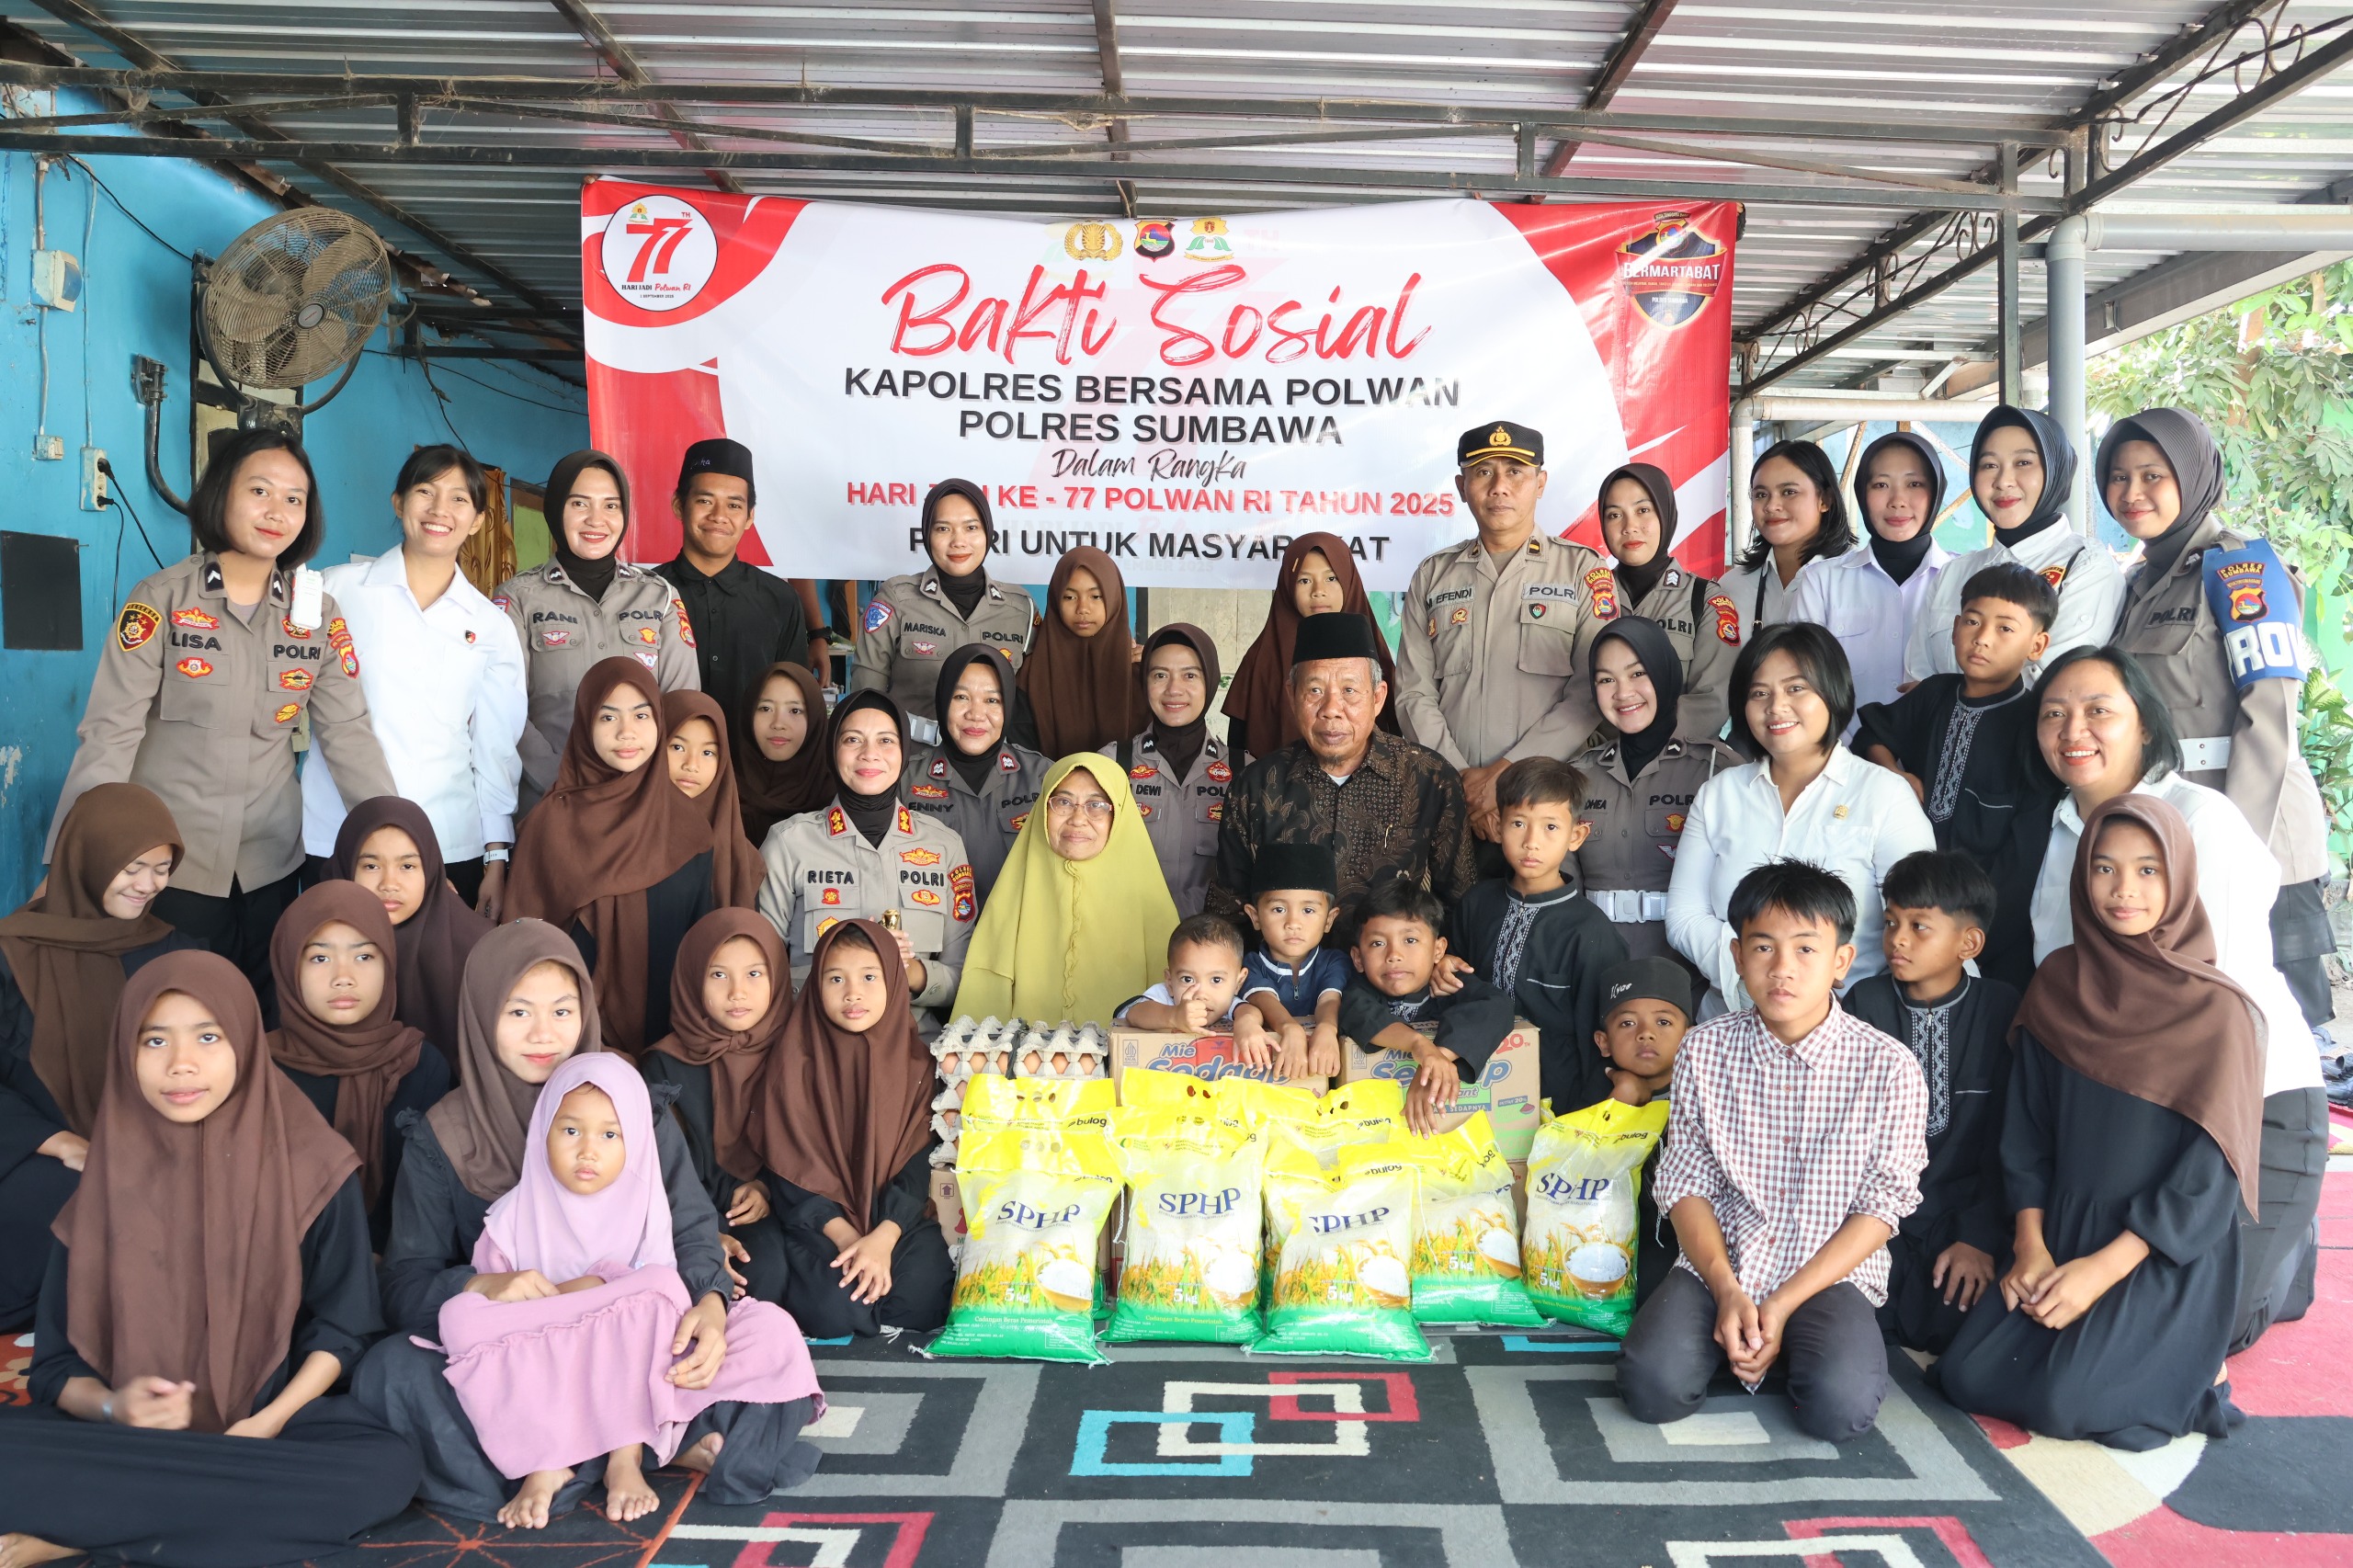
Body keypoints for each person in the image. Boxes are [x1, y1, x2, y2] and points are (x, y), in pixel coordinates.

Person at [0, 951, 419, 1568]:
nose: (181, 1064)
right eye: (154, 1040)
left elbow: (345, 1326)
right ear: (125, 1052)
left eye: (207, 1036)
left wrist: (267, 1421)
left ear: (245, 1043)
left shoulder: (312, 1165)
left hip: (272, 1430)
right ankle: (171, 1522)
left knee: (383, 1469)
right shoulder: (105, 1181)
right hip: (126, 1440)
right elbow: (57, 1368)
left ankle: (88, 1531)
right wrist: (116, 1406)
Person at [1935, 796, 2259, 1449]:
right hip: (2061, 1226)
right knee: (1967, 1375)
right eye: (2104, 868)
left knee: (2066, 1402)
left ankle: (2211, 1357)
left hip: (2156, 1245)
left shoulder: (2219, 1011)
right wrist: (2031, 1245)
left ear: (2180, 878)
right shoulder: (2059, 981)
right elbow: (2024, 1132)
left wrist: (2101, 1272)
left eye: (2147, 870)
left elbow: (2207, 1179)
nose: (2123, 890)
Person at [2028, 646, 2325, 1353]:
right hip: (2134, 1116)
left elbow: (2219, 1007)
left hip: (2247, 1107)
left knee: (2192, 1338)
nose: (2073, 730)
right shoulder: (2060, 828)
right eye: (2054, 714)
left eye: (2098, 711)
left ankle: (2286, 1250)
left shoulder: (2202, 820)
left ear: (2146, 725)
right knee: (2076, 1318)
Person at [47, 426, 395, 1002]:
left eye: (294, 498)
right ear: (221, 495)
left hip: (272, 869)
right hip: (169, 868)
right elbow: (110, 734)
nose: (277, 511)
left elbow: (349, 733)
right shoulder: (161, 599)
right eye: (259, 491)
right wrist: (73, 863)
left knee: (260, 1021)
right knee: (172, 1017)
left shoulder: (318, 616)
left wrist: (396, 841)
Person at [428, 1053, 822, 1528]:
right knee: (458, 1316)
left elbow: (667, 1313)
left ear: (636, 1141)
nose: (587, 1151)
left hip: (648, 1368)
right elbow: (494, 1332)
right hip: (551, 1379)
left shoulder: (650, 1208)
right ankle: (562, 1459)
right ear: (541, 1134)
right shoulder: (508, 1223)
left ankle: (620, 1454)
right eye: (569, 1130)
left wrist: (617, 1295)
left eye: (610, 1135)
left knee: (768, 1330)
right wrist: (585, 1294)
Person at [1618, 860, 1928, 1443]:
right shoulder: (1704, 1050)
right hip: (1720, 1261)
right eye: (1763, 947)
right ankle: (1750, 1336)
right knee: (1652, 1388)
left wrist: (1781, 1305)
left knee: (1839, 1410)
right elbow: (1685, 1183)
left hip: (1828, 1273)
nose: (1782, 968)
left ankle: (1782, 1341)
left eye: (1806, 949)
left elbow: (1883, 1206)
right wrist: (1726, 1290)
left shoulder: (1889, 1066)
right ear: (1737, 957)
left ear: (1841, 961)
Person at [2099, 405, 2335, 1035]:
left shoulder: (2240, 569)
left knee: (2281, 1033)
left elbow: (2270, 720)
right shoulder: (2133, 584)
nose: (2132, 492)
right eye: (2119, 477)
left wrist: (2235, 851)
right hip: (2169, 834)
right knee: (2197, 1028)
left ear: (2194, 475)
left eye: (2153, 475)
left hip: (2255, 835)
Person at [302, 443, 527, 915]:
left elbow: (495, 749)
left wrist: (496, 856)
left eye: (459, 499)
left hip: (447, 841)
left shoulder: (490, 625)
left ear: (478, 521)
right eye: (426, 491)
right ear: (398, 502)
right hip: (338, 832)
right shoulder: (336, 591)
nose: (440, 509)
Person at [1666, 623, 1935, 1015]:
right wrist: (1754, 971)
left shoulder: (1884, 795)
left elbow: (1922, 918)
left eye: (1795, 688)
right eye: (1759, 693)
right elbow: (1683, 915)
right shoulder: (1719, 795)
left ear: (1833, 691)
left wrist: (1816, 978)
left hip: (1850, 1023)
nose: (1776, 707)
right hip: (1731, 1021)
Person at [0, 784, 190, 1328]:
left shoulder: (176, 952)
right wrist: (60, 1143)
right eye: (131, 867)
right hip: (36, 1152)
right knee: (71, 1200)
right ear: (88, 858)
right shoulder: (12, 952)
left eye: (162, 869)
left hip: (155, 1145)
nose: (148, 885)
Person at [1208, 611, 1479, 945]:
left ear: (1377, 697)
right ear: (1292, 695)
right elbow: (1228, 912)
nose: (1331, 709)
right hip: (1282, 977)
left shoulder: (1430, 780)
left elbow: (1461, 904)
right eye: (1315, 690)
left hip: (1394, 973)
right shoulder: (1255, 786)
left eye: (1350, 690)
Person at [1393, 421, 1608, 843]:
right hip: (1451, 804)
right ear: (1462, 486)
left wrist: (1505, 776)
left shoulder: (1583, 571)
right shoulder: (1433, 576)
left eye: (1515, 472)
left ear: (1540, 483)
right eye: (1483, 472)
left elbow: (1589, 694)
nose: (1499, 487)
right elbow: (1413, 693)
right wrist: (1461, 783)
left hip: (1547, 808)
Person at [1854, 562, 2063, 992]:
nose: (1982, 638)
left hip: (1988, 929)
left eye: (2005, 629)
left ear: (2037, 645)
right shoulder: (1934, 693)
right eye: (1972, 621)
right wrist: (1894, 774)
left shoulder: (2033, 725)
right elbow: (1871, 736)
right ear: (1953, 628)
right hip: (1907, 907)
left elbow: (2023, 859)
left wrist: (1969, 937)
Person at [1843, 851, 2018, 1355]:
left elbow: (2013, 1139)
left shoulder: (2001, 1009)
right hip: (1876, 1218)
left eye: (1919, 926)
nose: (1897, 939)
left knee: (1961, 1330)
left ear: (1969, 943)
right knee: (1858, 1324)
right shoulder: (1863, 1004)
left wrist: (1980, 1236)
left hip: (1964, 1220)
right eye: (1891, 922)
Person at [749, 918, 954, 1340]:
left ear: (894, 981)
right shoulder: (792, 1064)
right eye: (836, 978)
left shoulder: (918, 1066)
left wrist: (883, 1238)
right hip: (821, 1222)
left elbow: (918, 1162)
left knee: (923, 1297)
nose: (852, 993)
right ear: (815, 985)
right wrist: (845, 1237)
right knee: (833, 1307)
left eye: (869, 977)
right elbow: (787, 1165)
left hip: (895, 1220)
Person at [506, 658, 716, 1055]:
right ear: (585, 724)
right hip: (567, 1046)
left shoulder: (688, 827)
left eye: (641, 715)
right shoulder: (550, 825)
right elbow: (523, 946)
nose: (626, 732)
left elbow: (700, 946)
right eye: (608, 717)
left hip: (671, 1045)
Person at [754, 691, 977, 1028]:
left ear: (905, 751)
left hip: (916, 1045)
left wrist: (912, 972)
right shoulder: (788, 843)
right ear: (832, 750)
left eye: (886, 740)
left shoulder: (944, 846)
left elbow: (966, 979)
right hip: (814, 1041)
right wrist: (842, 972)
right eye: (853, 739)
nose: (870, 753)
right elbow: (759, 973)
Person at [497, 449, 699, 811]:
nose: (596, 519)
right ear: (555, 509)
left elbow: (682, 703)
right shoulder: (517, 598)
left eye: (611, 505)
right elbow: (504, 710)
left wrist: (641, 785)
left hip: (642, 805)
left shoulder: (660, 597)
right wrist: (563, 779)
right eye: (579, 503)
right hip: (551, 802)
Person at [265, 881, 450, 1247]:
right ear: (288, 966)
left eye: (364, 957)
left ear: (389, 963)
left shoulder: (419, 1065)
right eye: (320, 958)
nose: (343, 978)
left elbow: (426, 1199)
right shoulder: (261, 1070)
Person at [1449, 757, 1628, 1112]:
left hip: (1558, 1103)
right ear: (1497, 826)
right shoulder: (1476, 904)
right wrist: (1443, 970)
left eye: (1550, 827)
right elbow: (1455, 988)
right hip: (1473, 1095)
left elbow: (1600, 1043)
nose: (1532, 842)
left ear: (1576, 836)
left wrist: (1580, 1121)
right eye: (1518, 823)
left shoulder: (1590, 932)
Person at [952, 755, 1180, 1028]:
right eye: (1063, 802)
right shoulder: (1014, 889)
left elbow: (1173, 1003)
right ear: (1043, 809)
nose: (1078, 819)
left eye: (1096, 805)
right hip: (1025, 1051)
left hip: (1127, 1053)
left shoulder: (1151, 902)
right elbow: (984, 990)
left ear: (1118, 814)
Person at [642, 910, 796, 1306]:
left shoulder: (796, 1054)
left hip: (779, 1203)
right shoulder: (665, 1065)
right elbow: (661, 1168)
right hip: (688, 1212)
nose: (737, 992)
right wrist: (701, 1235)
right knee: (751, 1273)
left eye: (754, 974)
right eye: (718, 974)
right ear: (692, 978)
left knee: (792, 1273)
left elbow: (811, 1145)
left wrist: (765, 1186)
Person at [1905, 404, 2121, 687]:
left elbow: (2053, 687)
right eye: (1989, 465)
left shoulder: (2086, 567)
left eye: (2023, 463)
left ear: (2055, 470)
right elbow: (1916, 684)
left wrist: (1944, 696)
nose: (2003, 481)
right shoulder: (1953, 573)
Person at [1574, 617, 1741, 972]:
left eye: (1638, 673)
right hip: (1594, 973)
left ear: (1664, 673)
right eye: (1606, 679)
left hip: (1689, 978)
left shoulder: (1716, 770)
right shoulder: (1579, 774)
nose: (1623, 693)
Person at [851, 479, 1035, 743]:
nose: (958, 541)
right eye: (943, 528)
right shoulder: (897, 599)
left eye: (971, 527)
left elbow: (1030, 705)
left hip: (992, 761)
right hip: (911, 757)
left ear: (988, 533)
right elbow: (867, 696)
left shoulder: (1021, 610)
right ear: (927, 535)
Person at [1787, 431, 1952, 715]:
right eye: (1881, 484)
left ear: (1935, 492)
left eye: (1914, 484)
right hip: (1843, 744)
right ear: (1862, 493)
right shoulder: (1821, 581)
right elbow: (1798, 681)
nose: (1897, 500)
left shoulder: (1964, 579)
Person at [327, 796, 492, 1081]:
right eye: (371, 866)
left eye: (407, 866)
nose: (389, 884)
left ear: (431, 869)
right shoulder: (318, 942)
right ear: (346, 866)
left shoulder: (478, 947)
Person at [1337, 880, 1517, 1138]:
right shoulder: (1357, 992)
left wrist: (1435, 1061)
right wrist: (1419, 1045)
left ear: (1438, 950)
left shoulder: (1448, 984)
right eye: (1377, 943)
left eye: (1410, 940)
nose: (1394, 955)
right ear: (1357, 958)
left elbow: (1498, 1007)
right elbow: (1359, 1013)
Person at [654, 437, 813, 726]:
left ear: (750, 517)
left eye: (734, 505)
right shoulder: (646, 594)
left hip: (754, 757)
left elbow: (792, 702)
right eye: (705, 501)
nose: (719, 516)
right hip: (666, 753)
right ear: (679, 505)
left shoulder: (780, 599)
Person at [1222, 530, 1400, 762]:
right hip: (1277, 783)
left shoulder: (1373, 655)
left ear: (1348, 580)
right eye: (1304, 580)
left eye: (1331, 578)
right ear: (1288, 585)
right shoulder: (1261, 659)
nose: (1318, 591)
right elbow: (1238, 748)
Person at [1590, 462, 1737, 741]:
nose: (1629, 527)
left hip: (1678, 759)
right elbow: (1577, 696)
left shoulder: (1705, 600)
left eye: (1643, 510)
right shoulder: (1588, 597)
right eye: (1614, 515)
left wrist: (1637, 752)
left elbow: (1711, 702)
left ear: (1666, 513)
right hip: (1597, 760)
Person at [904, 645, 1050, 903]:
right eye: (961, 697)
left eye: (992, 700)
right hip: (936, 926)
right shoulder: (905, 780)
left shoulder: (1042, 776)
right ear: (942, 700)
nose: (975, 714)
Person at [1590, 957, 1694, 1306]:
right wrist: (1621, 1101)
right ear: (1603, 1042)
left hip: (1688, 1243)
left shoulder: (1707, 1097)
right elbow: (1584, 1180)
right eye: (1627, 1023)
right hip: (1614, 1241)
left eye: (1663, 1022)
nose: (1646, 1033)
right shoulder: (1592, 1096)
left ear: (1690, 1036)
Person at [1120, 624, 1234, 919]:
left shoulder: (1242, 771)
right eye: (1160, 675)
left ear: (1210, 682)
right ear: (1144, 682)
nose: (1174, 689)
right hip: (1128, 931)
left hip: (1212, 938)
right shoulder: (1114, 764)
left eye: (1190, 675)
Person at [1717, 438, 1854, 650]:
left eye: (1789, 492)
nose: (1772, 506)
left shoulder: (1857, 581)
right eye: (1761, 495)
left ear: (1825, 500)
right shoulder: (1732, 586)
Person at [1232, 843, 1351, 1079]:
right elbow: (1263, 999)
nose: (1293, 923)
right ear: (1255, 917)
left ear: (1329, 920)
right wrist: (1290, 1029)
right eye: (1278, 909)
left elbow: (1329, 999)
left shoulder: (1334, 962)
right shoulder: (1249, 966)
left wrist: (1327, 1028)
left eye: (1308, 911)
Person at [1015, 546, 1144, 757]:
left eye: (1096, 596)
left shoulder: (1141, 673)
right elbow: (1022, 756)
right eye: (1069, 597)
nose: (1083, 608)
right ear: (1055, 600)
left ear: (1114, 598)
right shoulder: (1029, 677)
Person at [663, 688, 764, 909]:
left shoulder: (741, 857)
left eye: (708, 753)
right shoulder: (628, 838)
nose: (691, 765)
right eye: (677, 747)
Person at [735, 660, 835, 846]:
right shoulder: (723, 791)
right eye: (766, 708)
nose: (778, 723)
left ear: (815, 719)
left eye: (795, 710)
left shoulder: (837, 801)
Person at [1115, 915, 1261, 1034]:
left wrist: (1247, 1023)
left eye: (1216, 980)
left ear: (1238, 983)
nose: (1201, 994)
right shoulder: (1164, 998)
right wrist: (1173, 1015)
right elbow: (1134, 1013)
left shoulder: (1226, 1004)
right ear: (1170, 982)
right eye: (1187, 979)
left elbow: (1249, 1011)